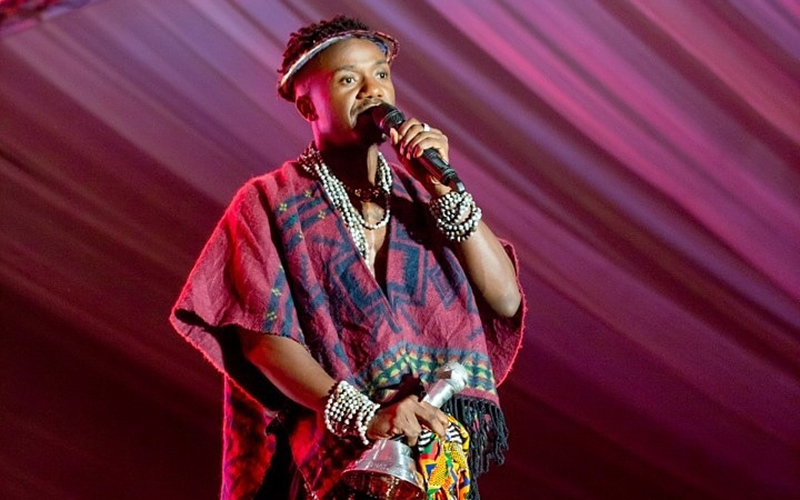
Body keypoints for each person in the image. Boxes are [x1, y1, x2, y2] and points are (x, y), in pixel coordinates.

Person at [170, 15, 525, 500]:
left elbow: (505, 299)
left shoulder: (419, 198)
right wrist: (365, 415)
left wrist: (444, 190)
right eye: (347, 80)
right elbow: (262, 339)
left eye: (380, 74)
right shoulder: (268, 202)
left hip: (432, 466)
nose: (372, 90)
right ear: (306, 105)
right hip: (335, 468)